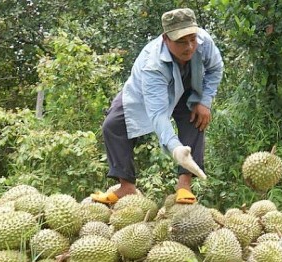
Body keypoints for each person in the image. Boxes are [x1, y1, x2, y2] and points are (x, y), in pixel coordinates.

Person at [91, 7, 224, 205]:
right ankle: (126, 186)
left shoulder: (203, 41)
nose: (189, 46)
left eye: (192, 39)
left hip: (188, 85)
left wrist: (204, 101)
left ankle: (184, 186)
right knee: (113, 126)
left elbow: (215, 68)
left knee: (196, 119)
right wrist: (175, 149)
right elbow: (159, 115)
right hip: (146, 92)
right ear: (166, 38)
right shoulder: (152, 65)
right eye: (181, 41)